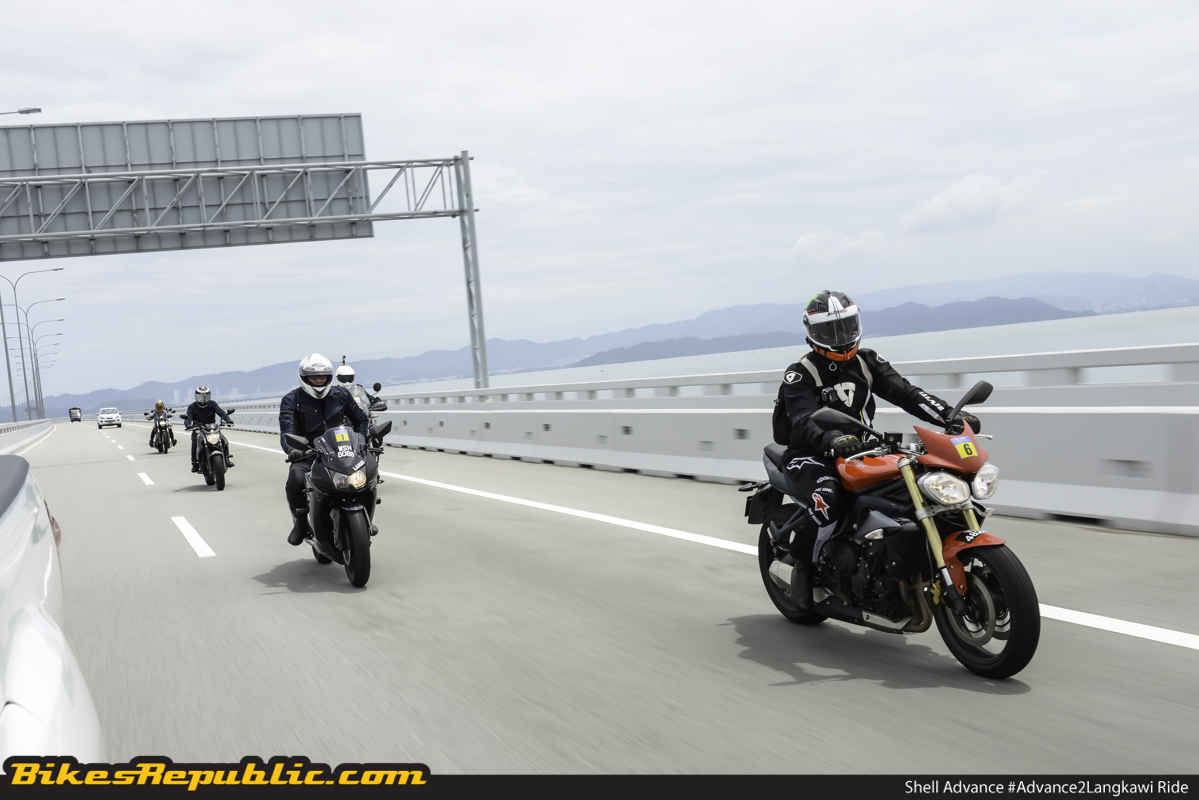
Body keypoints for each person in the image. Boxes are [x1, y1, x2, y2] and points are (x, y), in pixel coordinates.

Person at [777, 290, 979, 610]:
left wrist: (950, 416)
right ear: (812, 332)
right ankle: (803, 568)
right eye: (829, 331)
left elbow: (908, 394)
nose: (840, 336)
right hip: (810, 455)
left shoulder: (867, 362)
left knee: (919, 483)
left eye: (845, 326)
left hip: (863, 450)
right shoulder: (800, 373)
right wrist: (831, 440)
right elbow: (802, 419)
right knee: (829, 499)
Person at [279, 354, 371, 546]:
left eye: (323, 376)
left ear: (329, 376)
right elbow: (287, 431)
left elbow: (361, 419)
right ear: (304, 377)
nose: (319, 380)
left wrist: (362, 440)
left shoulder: (341, 394)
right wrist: (293, 450)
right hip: (309, 453)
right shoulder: (291, 400)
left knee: (370, 470)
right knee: (296, 479)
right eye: (314, 376)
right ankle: (301, 522)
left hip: (343, 451)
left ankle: (366, 518)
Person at [182, 386, 235, 473]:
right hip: (199, 429)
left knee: (223, 440)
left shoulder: (213, 404)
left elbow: (221, 412)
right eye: (200, 397)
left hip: (212, 428)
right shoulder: (192, 406)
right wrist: (188, 425)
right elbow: (188, 417)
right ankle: (195, 463)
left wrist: (228, 420)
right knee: (195, 442)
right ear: (196, 397)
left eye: (206, 396)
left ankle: (227, 459)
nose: (203, 399)